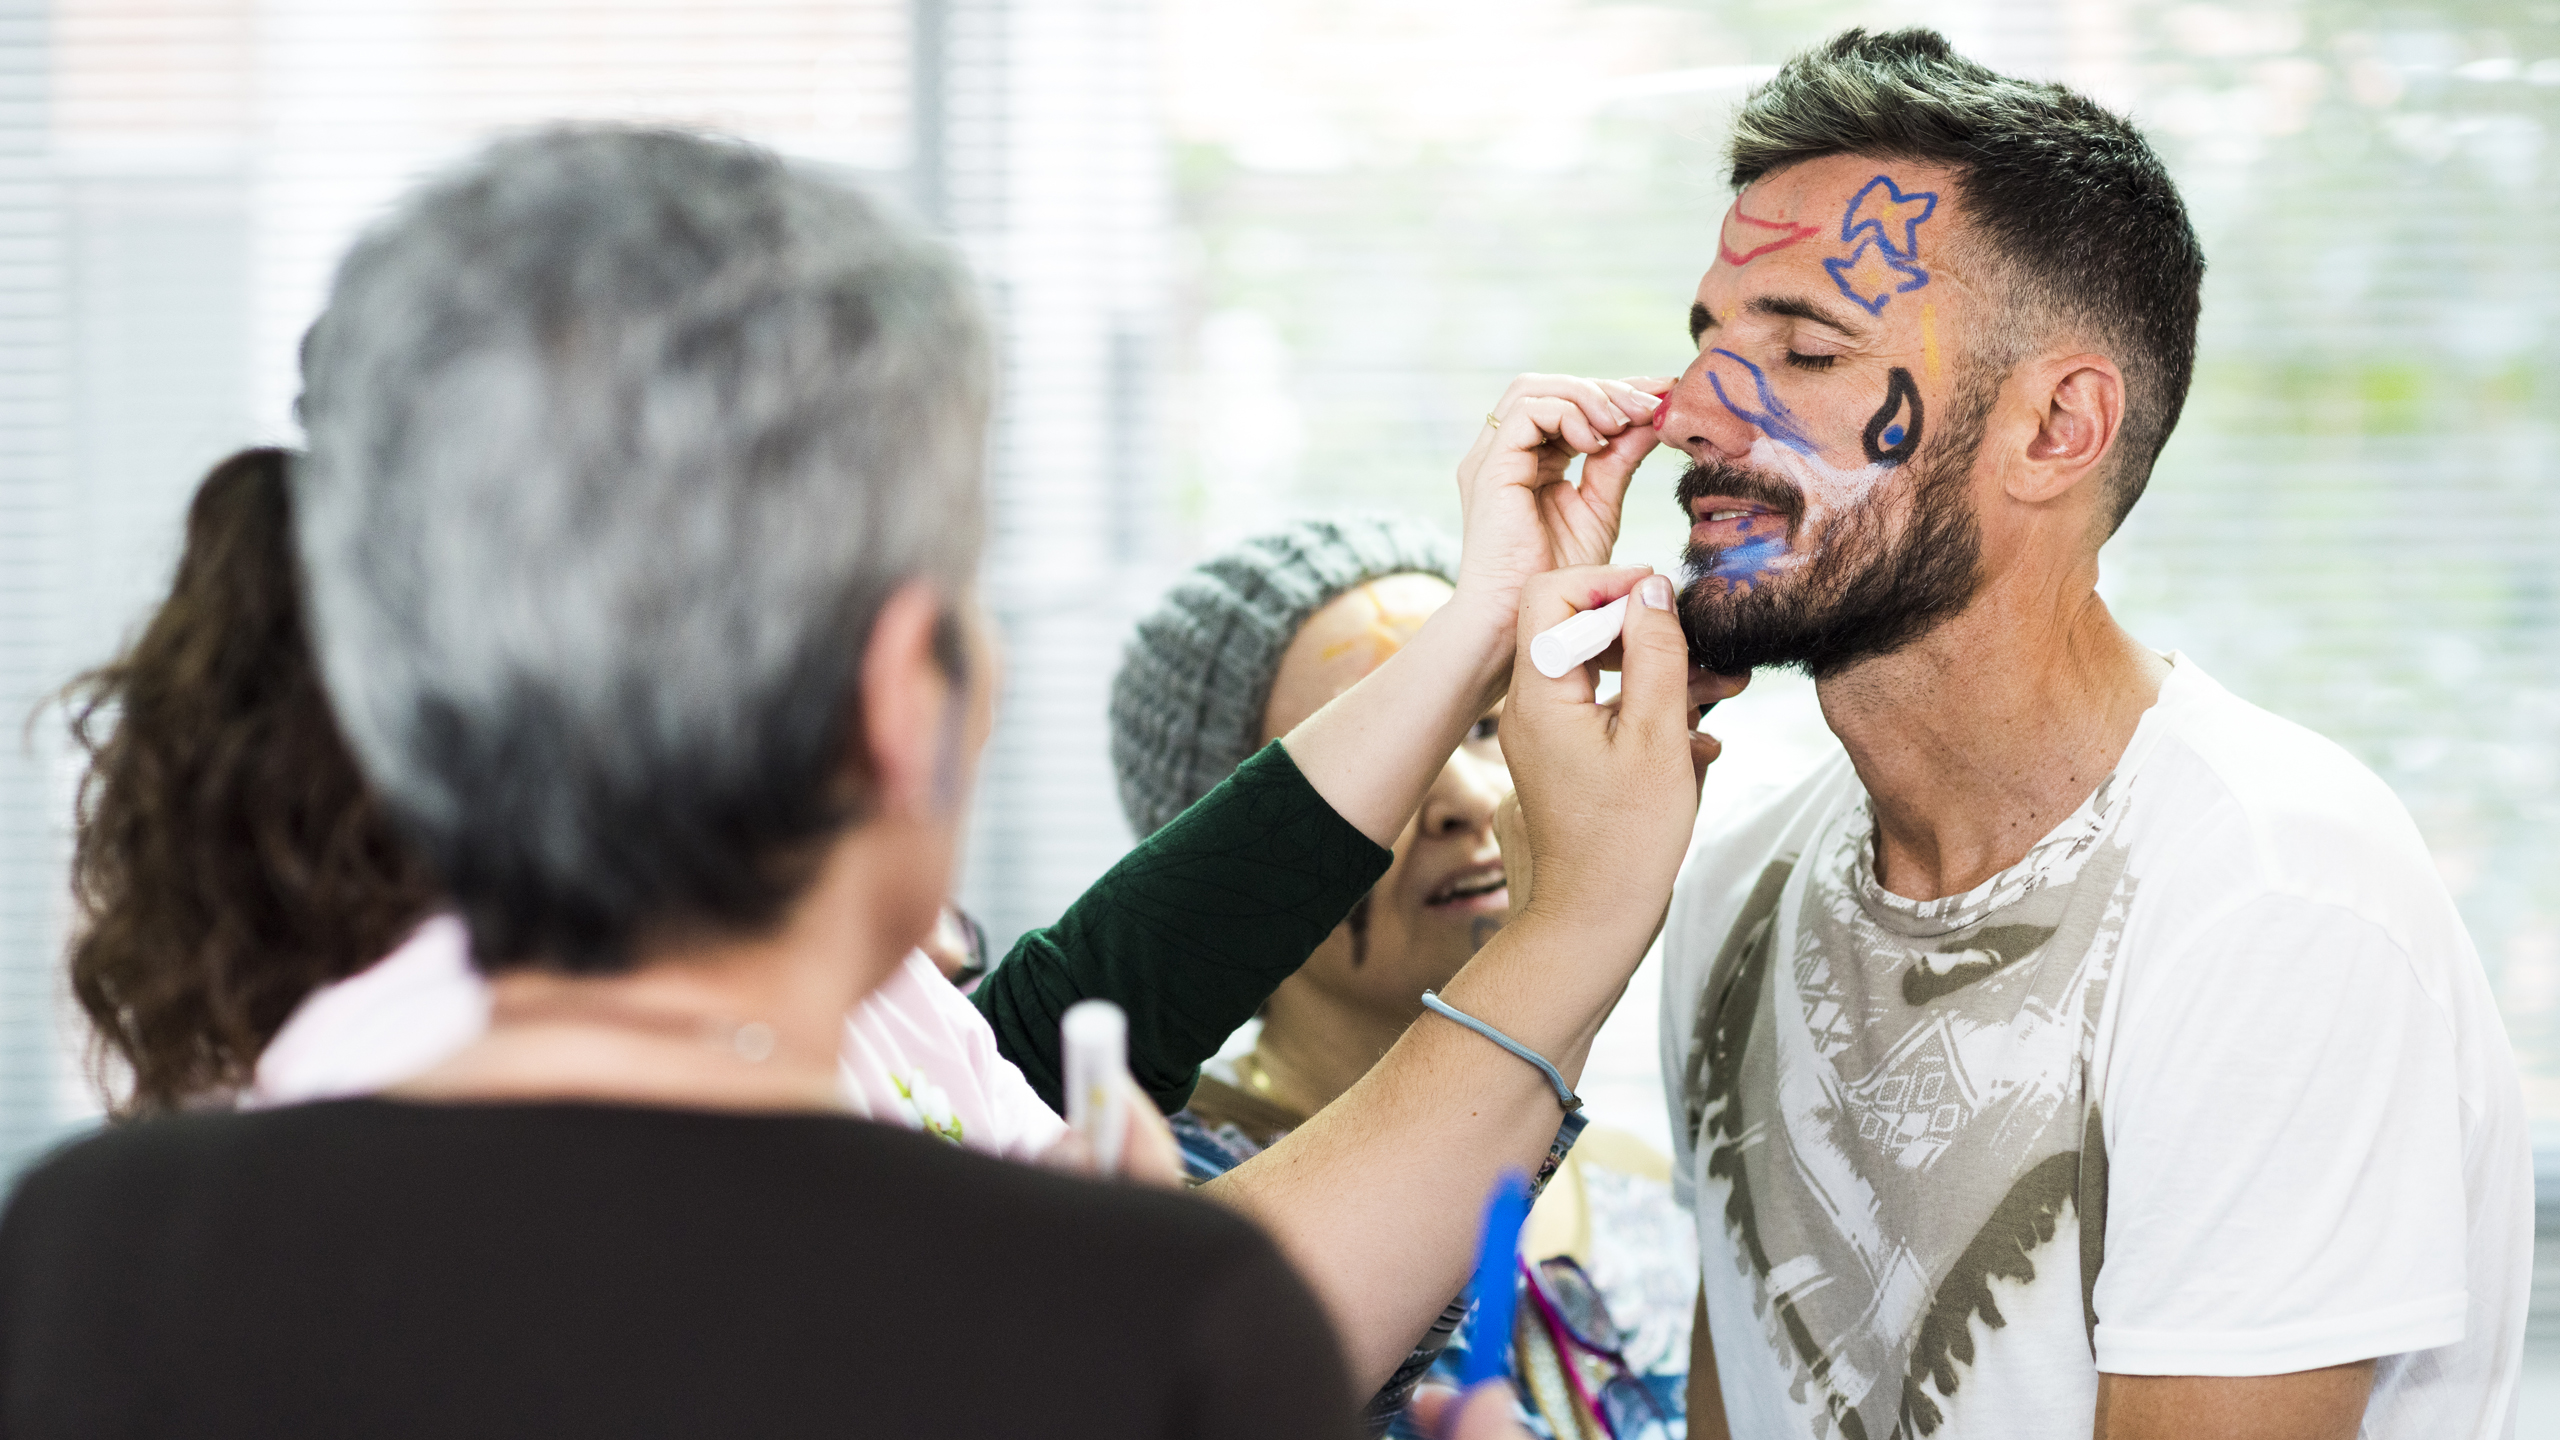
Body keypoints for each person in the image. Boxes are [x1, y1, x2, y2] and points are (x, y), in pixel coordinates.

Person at [0, 125, 1719, 1437]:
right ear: (905, 697)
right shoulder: (1123, 1336)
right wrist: (1584, 917)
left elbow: (1086, 995)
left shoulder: (88, 1263)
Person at [1629, 28, 2529, 1440]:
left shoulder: (2274, 902)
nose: (1688, 415)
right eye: (1705, 344)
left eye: (1803, 347)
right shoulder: (1729, 884)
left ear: (2056, 429)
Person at [1113, 516, 1694, 1437]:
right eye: (1390, 752)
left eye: (1484, 725)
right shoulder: (1147, 1200)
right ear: (1224, 859)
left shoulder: (1648, 1193)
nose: (1463, 798)